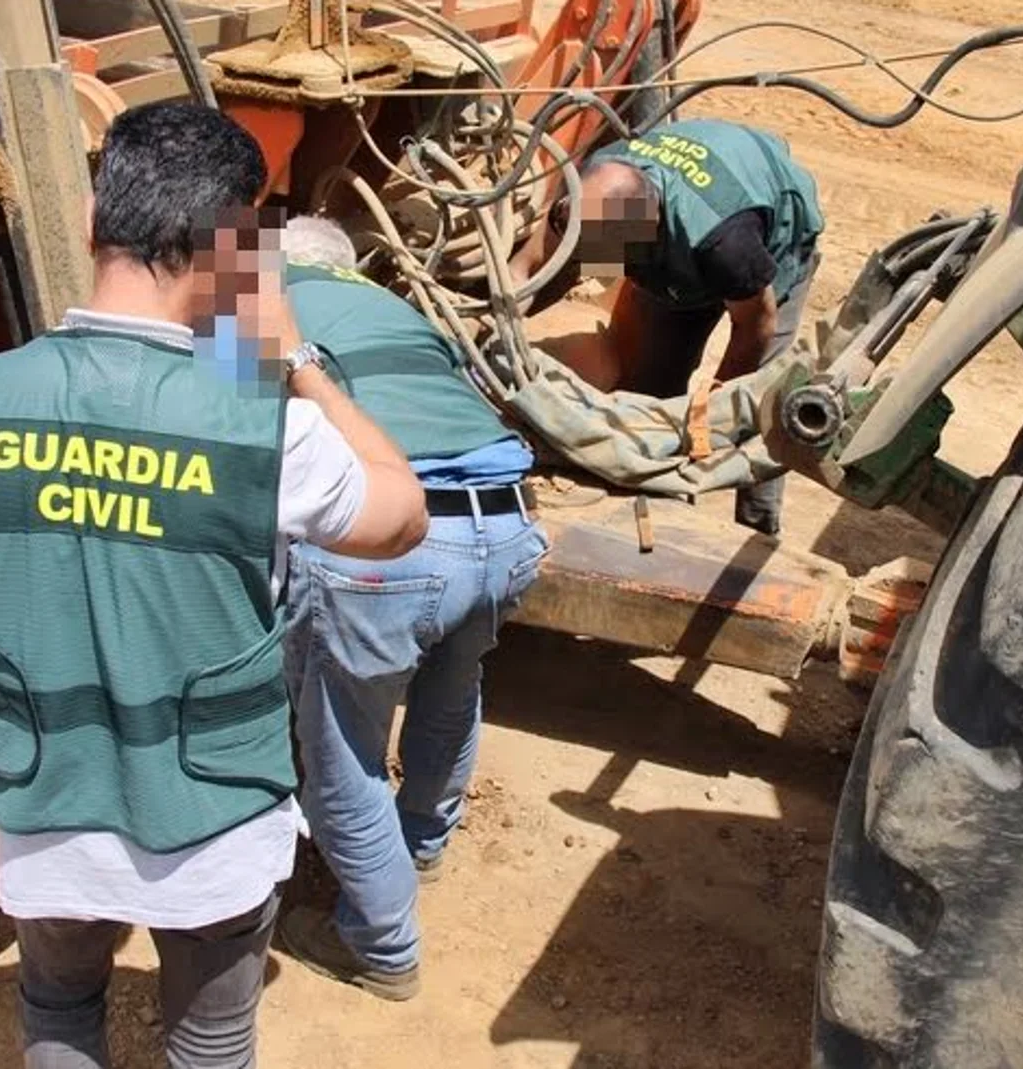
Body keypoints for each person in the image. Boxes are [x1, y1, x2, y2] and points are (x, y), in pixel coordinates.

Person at [0, 102, 428, 1068]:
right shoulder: (268, 433)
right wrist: (292, 359)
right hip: (215, 823)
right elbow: (402, 511)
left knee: (57, 1003)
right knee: (211, 1040)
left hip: (42, 805)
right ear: (234, 253)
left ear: (90, 219)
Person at [271, 216, 549, 1002]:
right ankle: (422, 842)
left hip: (395, 544)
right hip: (506, 528)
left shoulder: (255, 295)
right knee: (450, 689)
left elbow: (220, 422)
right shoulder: (402, 310)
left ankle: (381, 944)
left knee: (338, 757)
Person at [509, 118, 825, 536]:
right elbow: (530, 270)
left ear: (641, 236)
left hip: (765, 244)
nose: (590, 265)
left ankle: (757, 529)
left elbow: (755, 328)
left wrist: (710, 416)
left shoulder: (725, 244)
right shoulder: (592, 188)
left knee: (760, 413)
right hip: (674, 243)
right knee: (648, 394)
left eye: (601, 254)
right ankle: (651, 513)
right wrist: (490, 330)